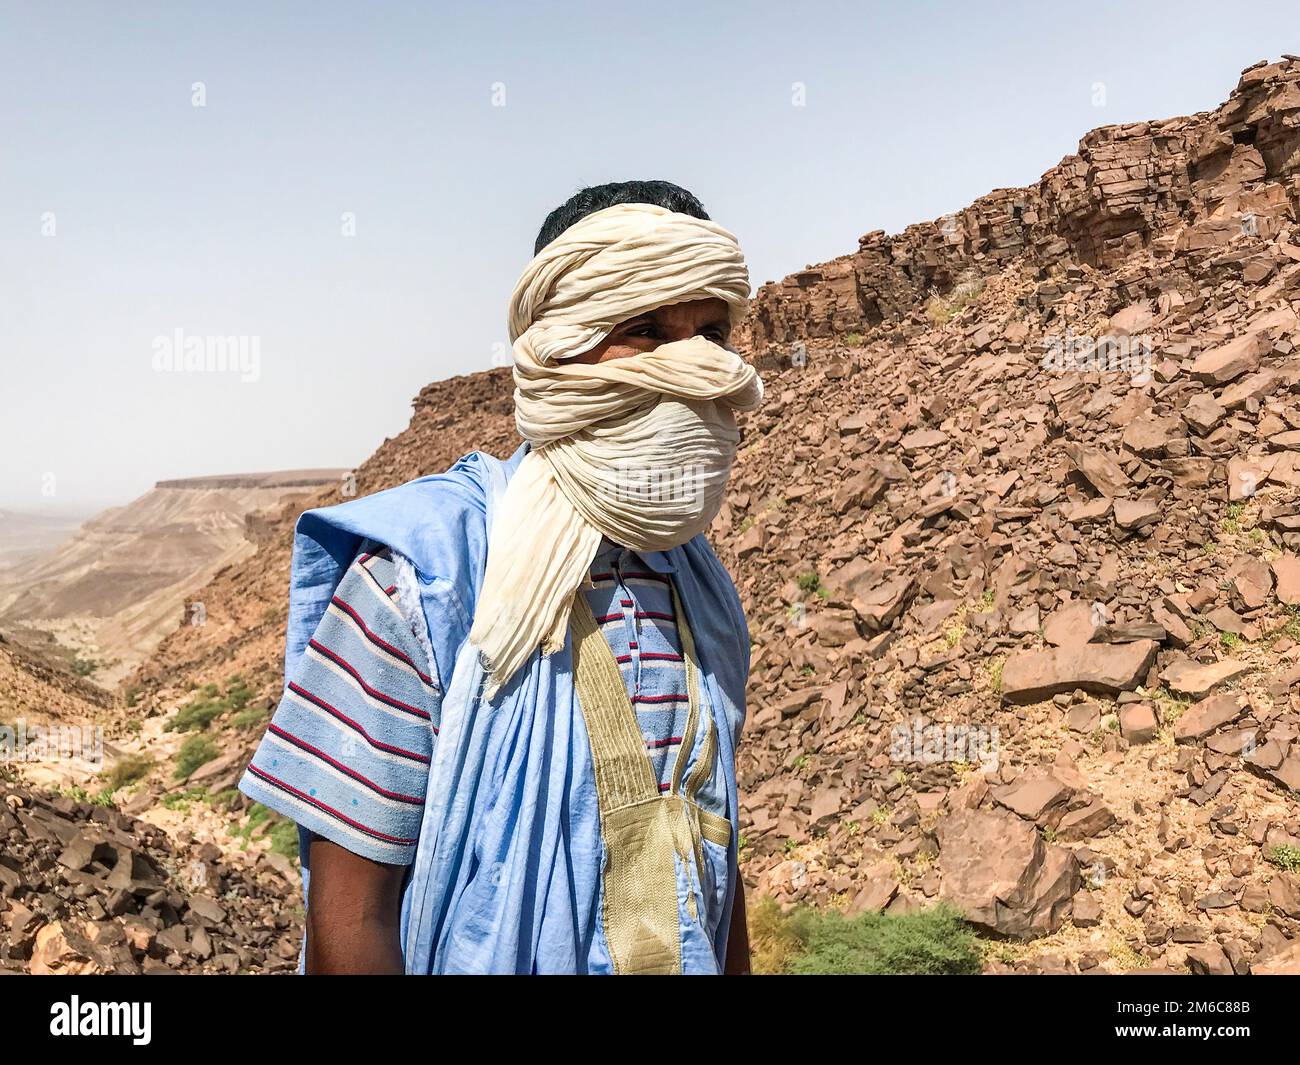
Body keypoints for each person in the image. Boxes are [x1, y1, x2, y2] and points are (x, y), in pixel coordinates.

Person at [239, 180, 763, 974]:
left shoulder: (697, 583)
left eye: (712, 334)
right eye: (646, 330)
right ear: (555, 348)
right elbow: (352, 923)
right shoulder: (424, 578)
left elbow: (705, 846)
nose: (691, 368)